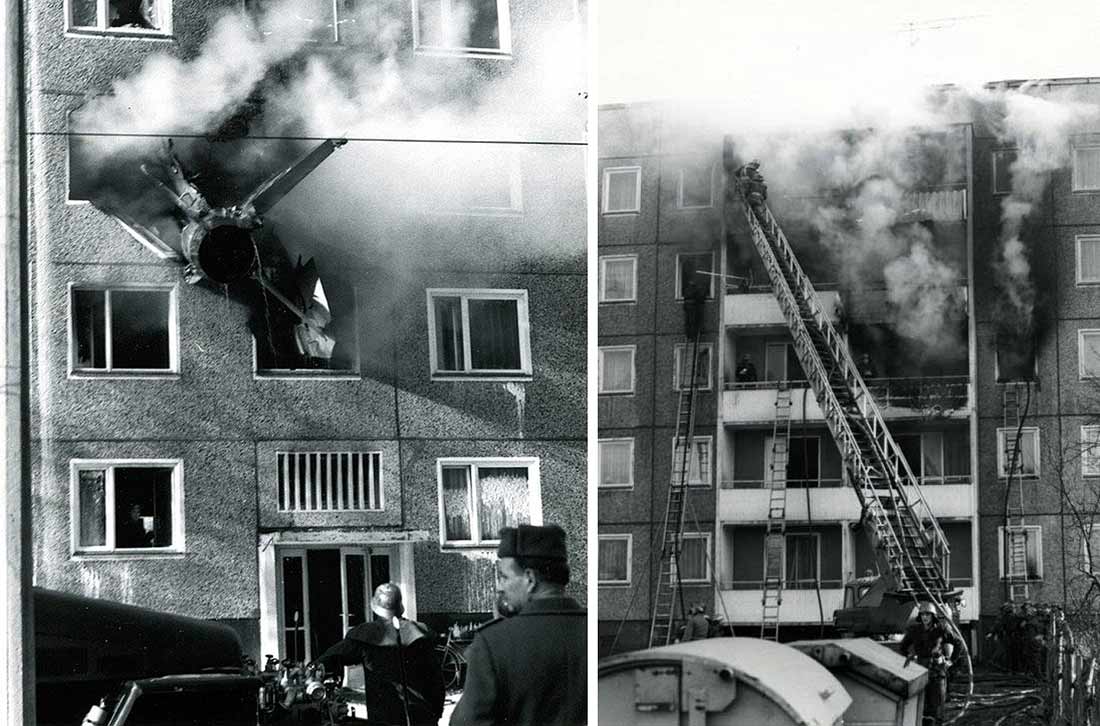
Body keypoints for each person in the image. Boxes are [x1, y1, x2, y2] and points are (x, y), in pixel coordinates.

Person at [450, 524, 586, 726]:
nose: (499, 586)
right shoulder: (592, 631)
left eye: (504, 577)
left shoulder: (493, 643)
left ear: (530, 579)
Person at [316, 583, 444, 726]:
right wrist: (437, 712)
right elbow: (437, 680)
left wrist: (315, 670)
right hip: (422, 715)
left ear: (376, 609)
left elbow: (330, 657)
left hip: (385, 717)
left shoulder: (365, 636)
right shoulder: (421, 634)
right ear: (400, 606)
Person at [901, 602, 957, 726]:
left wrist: (948, 660)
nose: (925, 617)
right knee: (922, 706)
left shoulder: (941, 629)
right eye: (922, 614)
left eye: (928, 614)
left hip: (937, 672)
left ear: (933, 616)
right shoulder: (914, 630)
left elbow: (957, 643)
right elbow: (903, 647)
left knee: (937, 707)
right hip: (920, 671)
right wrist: (910, 657)